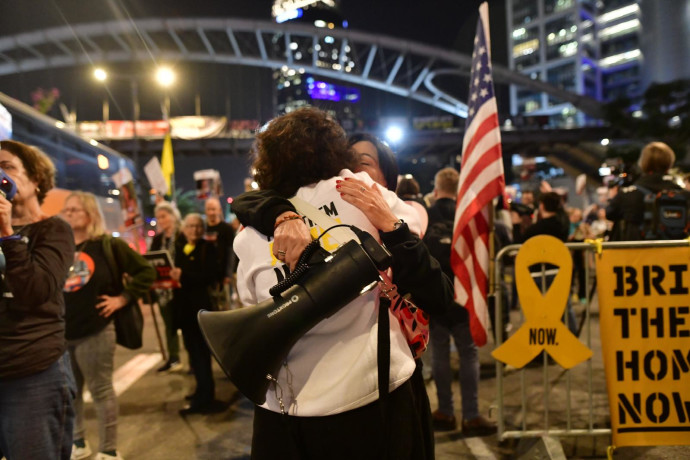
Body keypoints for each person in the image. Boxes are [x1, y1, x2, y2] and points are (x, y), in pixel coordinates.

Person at [232, 130, 455, 458]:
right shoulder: (355, 193)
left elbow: (250, 305)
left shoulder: (251, 231)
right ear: (334, 158)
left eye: (366, 162)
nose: (358, 170)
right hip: (375, 397)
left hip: (289, 407)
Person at [61, 191, 156, 460]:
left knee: (101, 390)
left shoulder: (107, 246)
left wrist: (122, 299)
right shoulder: (62, 246)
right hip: (64, 331)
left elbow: (145, 271)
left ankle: (108, 450)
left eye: (75, 210)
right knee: (71, 392)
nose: (68, 214)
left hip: (97, 330)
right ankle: (78, 442)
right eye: (66, 210)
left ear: (90, 214)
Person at [0, 140, 76, 460]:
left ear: (35, 181)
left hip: (32, 375)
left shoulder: (53, 230)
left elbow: (37, 291)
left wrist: (6, 232)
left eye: (6, 166)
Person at [423, 167, 497, 436]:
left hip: (438, 295)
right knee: (468, 353)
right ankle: (472, 415)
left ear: (436, 188)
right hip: (465, 294)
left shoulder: (427, 215)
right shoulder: (467, 215)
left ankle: (445, 411)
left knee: (440, 353)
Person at [170, 213, 219, 415]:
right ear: (183, 229)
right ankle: (200, 390)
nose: (194, 229)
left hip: (200, 309)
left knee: (201, 354)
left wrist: (184, 275)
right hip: (184, 309)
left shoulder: (208, 248)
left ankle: (206, 396)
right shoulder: (180, 249)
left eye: (198, 226)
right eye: (190, 226)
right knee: (192, 353)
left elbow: (209, 276)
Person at [606, 141, 687, 241]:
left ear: (643, 162)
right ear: (670, 162)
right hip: (676, 254)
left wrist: (613, 197)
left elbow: (610, 213)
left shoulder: (628, 194)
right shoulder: (684, 195)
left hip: (638, 254)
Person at [149, 201, 184, 372]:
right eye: (158, 218)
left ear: (172, 215)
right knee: (169, 325)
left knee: (186, 326)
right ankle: (173, 357)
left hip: (182, 289)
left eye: (164, 216)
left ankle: (194, 360)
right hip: (164, 290)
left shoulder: (182, 234)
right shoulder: (157, 239)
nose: (161, 220)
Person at [203, 197, 235, 311]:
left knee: (226, 307)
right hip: (207, 277)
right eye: (209, 209)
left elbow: (230, 252)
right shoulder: (202, 229)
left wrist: (228, 274)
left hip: (223, 276)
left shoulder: (227, 228)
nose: (211, 212)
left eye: (213, 209)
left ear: (219, 210)